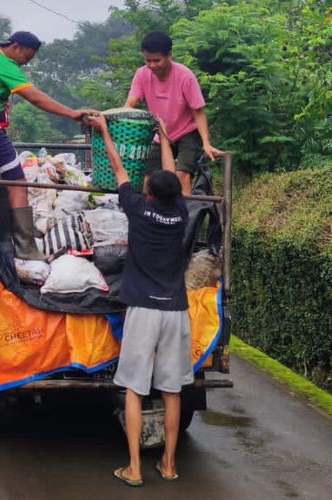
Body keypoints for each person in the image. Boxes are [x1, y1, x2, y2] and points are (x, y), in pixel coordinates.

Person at [87, 113, 191, 487]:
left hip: (144, 310)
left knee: (134, 387)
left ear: (147, 192)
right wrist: (164, 138)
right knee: (172, 390)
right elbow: (172, 175)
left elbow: (117, 167)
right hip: (176, 311)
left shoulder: (138, 208)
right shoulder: (180, 213)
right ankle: (168, 463)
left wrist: (103, 131)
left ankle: (133, 467)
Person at [0, 31, 97, 260]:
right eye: (26, 58)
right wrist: (72, 114)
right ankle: (26, 247)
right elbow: (35, 97)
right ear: (17, 47)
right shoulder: (4, 63)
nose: (25, 63)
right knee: (17, 183)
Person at [124, 31, 223, 195]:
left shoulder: (185, 76)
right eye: (148, 60)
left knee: (181, 175)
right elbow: (130, 103)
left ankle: (185, 217)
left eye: (157, 60)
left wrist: (206, 143)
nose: (152, 65)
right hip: (160, 132)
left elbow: (198, 112)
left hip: (187, 132)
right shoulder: (142, 74)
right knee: (148, 177)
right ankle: (150, 215)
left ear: (169, 55)